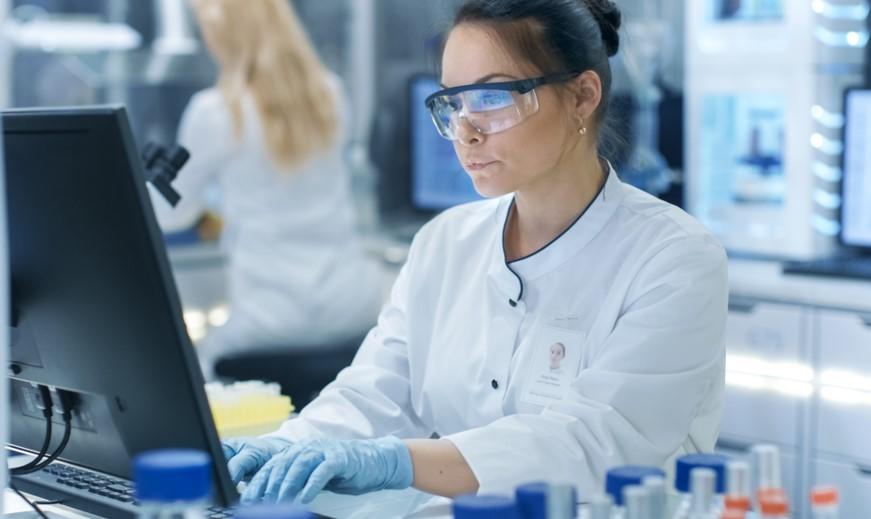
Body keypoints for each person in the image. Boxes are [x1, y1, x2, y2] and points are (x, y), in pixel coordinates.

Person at [223, 0, 728, 505]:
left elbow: (597, 441)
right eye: (454, 102)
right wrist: (279, 448)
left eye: (492, 97)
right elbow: (374, 395)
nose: (466, 130)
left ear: (582, 96)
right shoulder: (445, 243)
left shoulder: (674, 259)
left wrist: (397, 461)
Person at [151, 0, 382, 375]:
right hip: (350, 310)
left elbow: (170, 215)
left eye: (206, 28)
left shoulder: (216, 111)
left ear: (226, 32)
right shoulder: (331, 94)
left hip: (269, 322)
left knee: (190, 370)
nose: (205, 39)